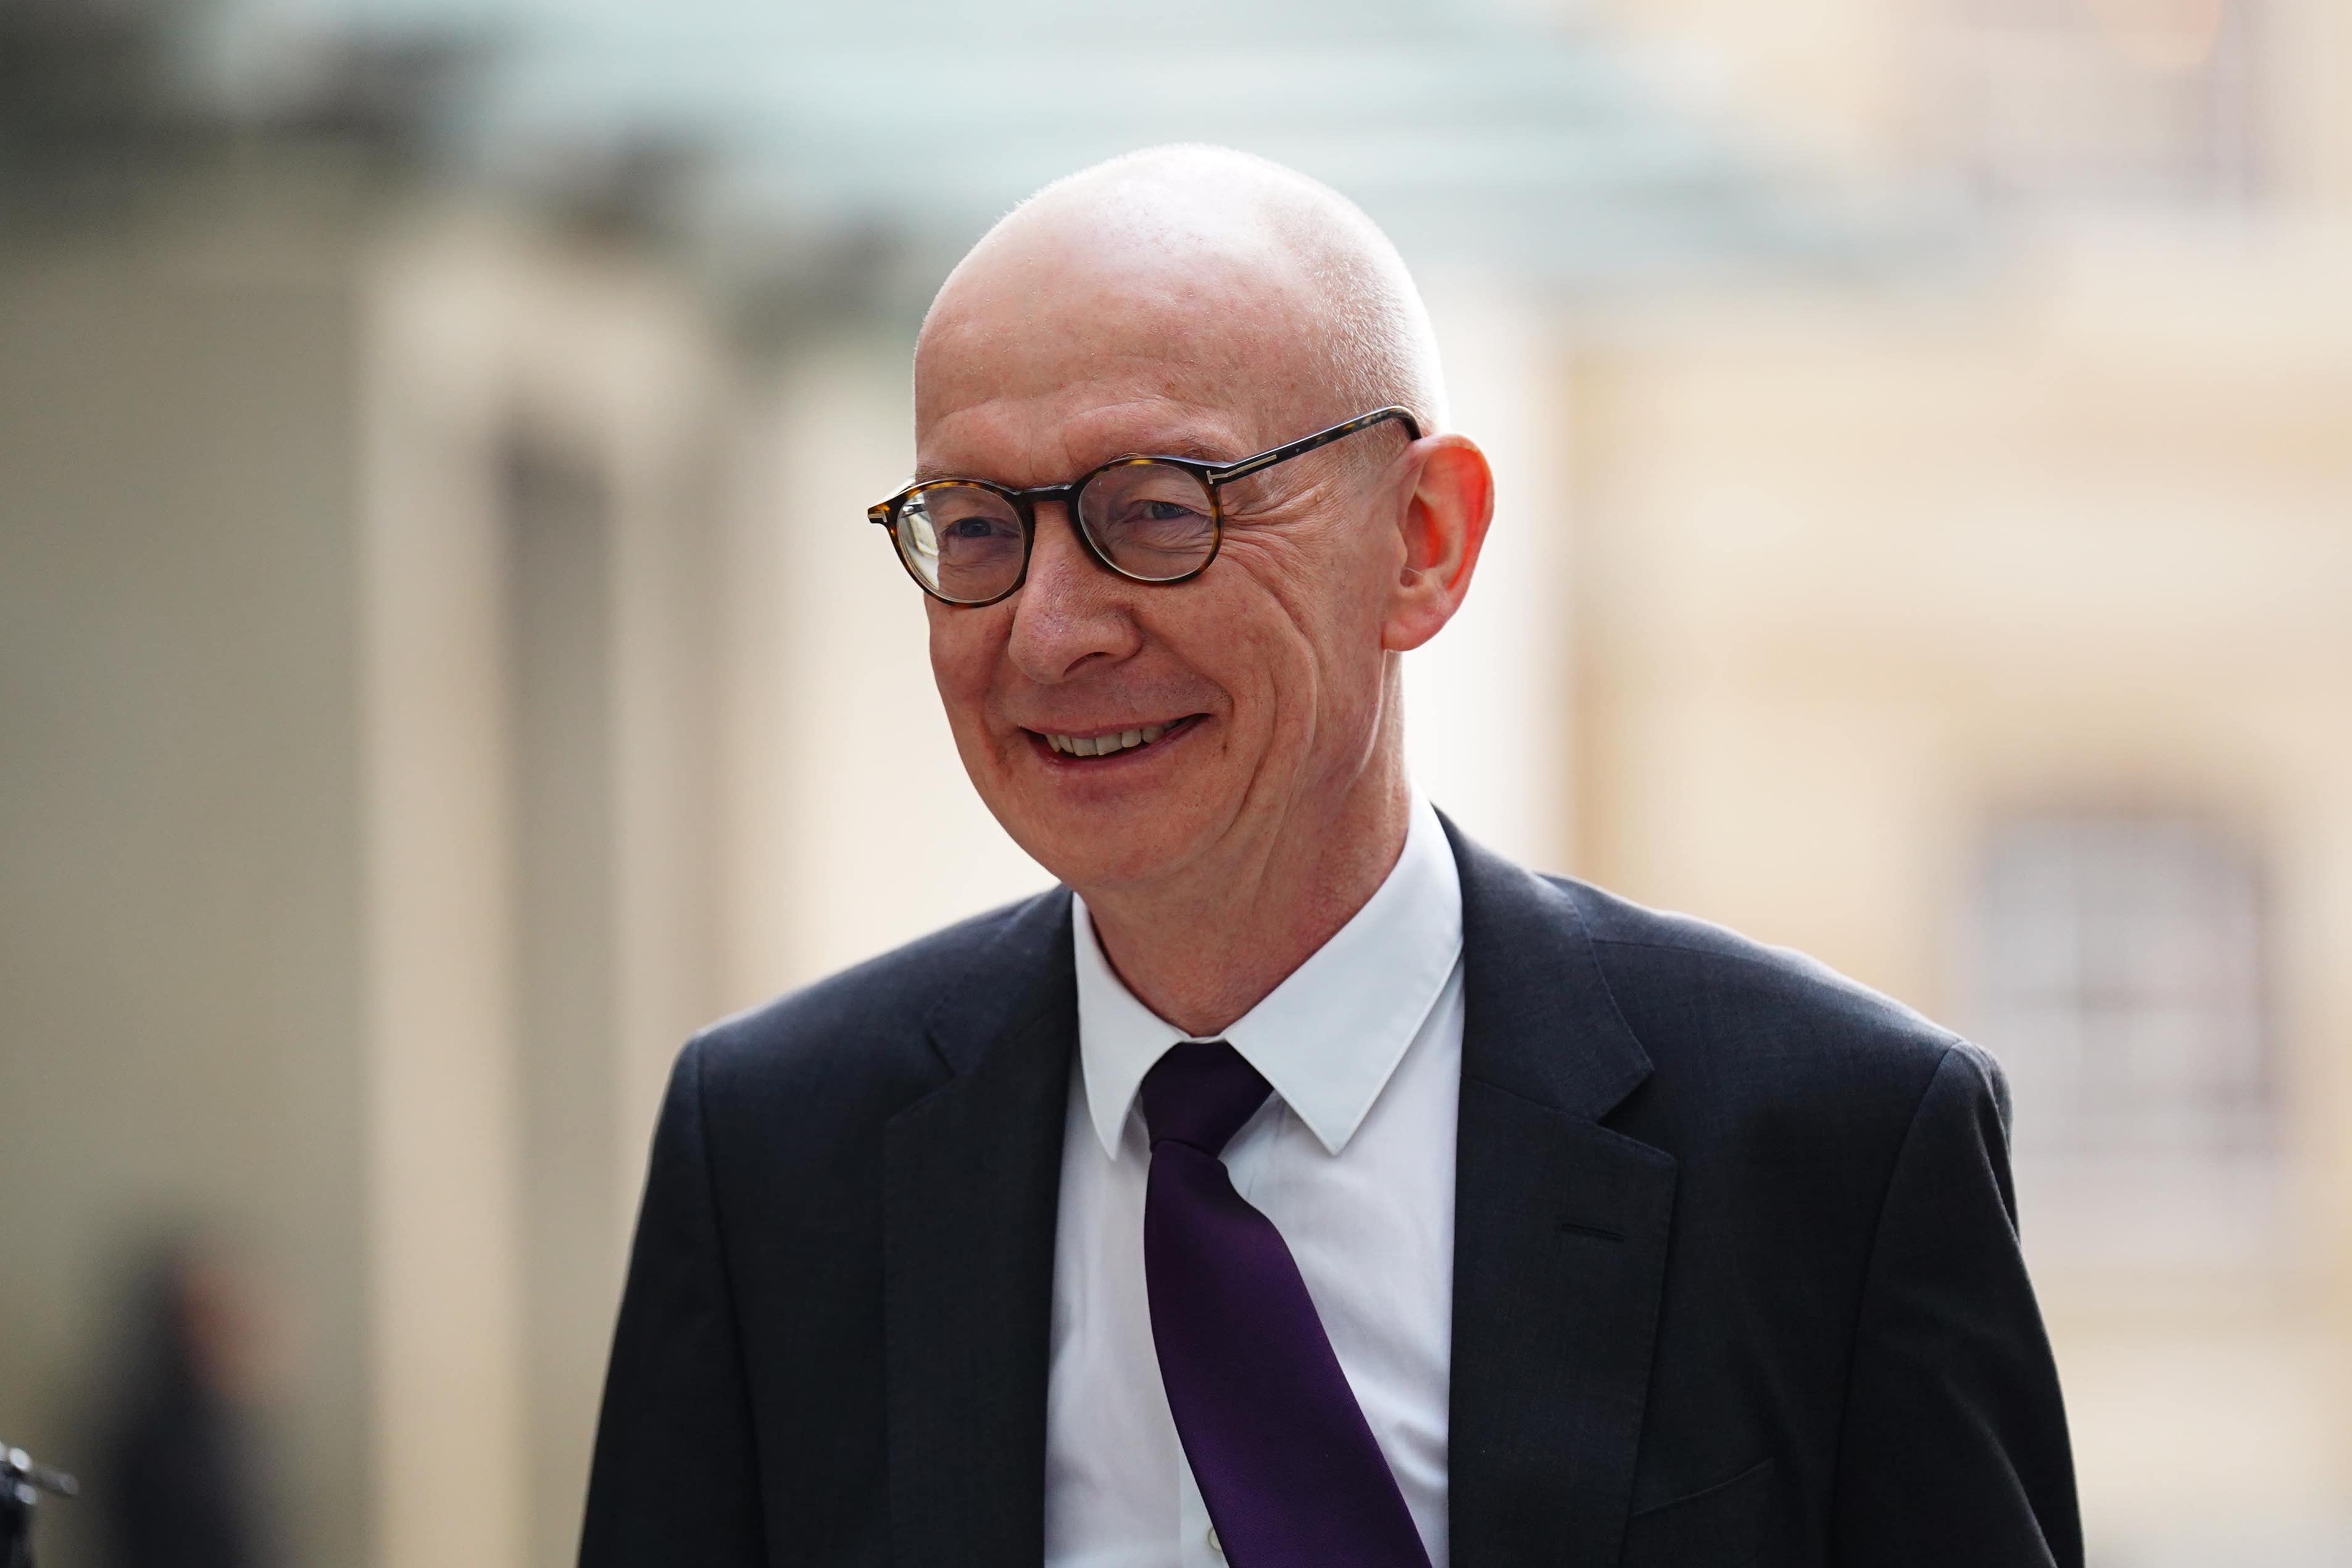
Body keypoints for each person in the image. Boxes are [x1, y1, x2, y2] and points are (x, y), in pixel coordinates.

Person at [580, 144, 2079, 1568]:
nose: (1049, 629)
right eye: (975, 530)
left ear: (1423, 540)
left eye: (1154, 512)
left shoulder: (1830, 1142)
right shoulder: (775, 1151)